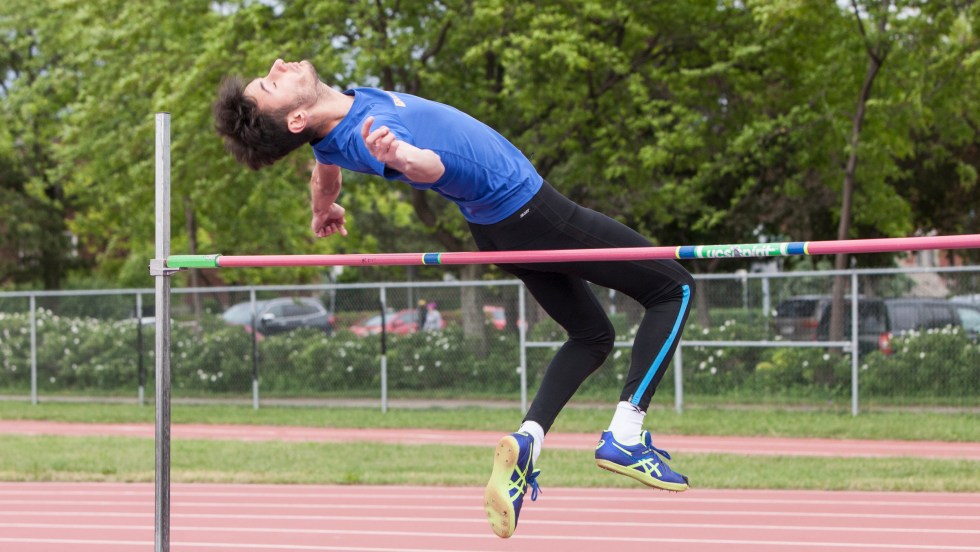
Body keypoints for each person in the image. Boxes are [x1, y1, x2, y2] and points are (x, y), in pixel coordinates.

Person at [214, 58, 695, 539]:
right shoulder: (371, 129)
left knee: (591, 336)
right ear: (296, 118)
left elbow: (325, 172)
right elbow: (427, 167)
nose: (278, 65)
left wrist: (323, 208)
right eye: (272, 83)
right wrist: (401, 156)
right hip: (529, 210)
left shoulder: (331, 130)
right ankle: (626, 434)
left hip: (499, 227)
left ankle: (528, 441)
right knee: (674, 288)